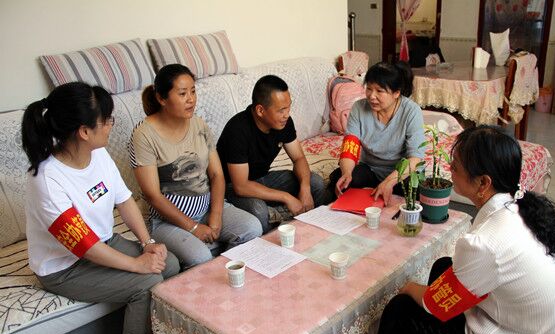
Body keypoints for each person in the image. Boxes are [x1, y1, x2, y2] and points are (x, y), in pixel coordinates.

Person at [357, 126, 555, 334]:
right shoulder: (520, 206)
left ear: (483, 182)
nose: (450, 169)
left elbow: (435, 303)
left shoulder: (486, 242)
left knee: (401, 309)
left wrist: (409, 287)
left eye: (456, 166)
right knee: (444, 266)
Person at [22, 82, 179, 334]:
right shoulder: (46, 180)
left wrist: (148, 244)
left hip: (103, 243)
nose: (111, 125)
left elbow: (125, 201)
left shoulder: (99, 154)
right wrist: (137, 265)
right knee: (145, 282)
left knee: (169, 263)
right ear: (84, 131)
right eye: (106, 120)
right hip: (65, 267)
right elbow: (84, 247)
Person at [130, 64, 262, 269]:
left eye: (193, 91)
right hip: (167, 222)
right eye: (183, 93)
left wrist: (216, 216)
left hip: (207, 209)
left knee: (252, 227)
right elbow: (152, 195)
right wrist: (193, 228)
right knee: (199, 257)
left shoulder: (199, 125)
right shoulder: (144, 135)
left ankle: (227, 272)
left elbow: (217, 175)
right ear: (162, 99)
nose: (191, 99)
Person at [216, 74, 333, 233]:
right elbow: (241, 186)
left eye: (288, 107)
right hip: (232, 188)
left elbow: (298, 158)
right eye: (281, 110)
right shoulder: (237, 130)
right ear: (260, 110)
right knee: (258, 210)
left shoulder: (284, 123)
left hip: (263, 179)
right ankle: (274, 238)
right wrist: (286, 197)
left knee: (315, 183)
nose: (287, 114)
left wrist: (305, 189)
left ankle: (311, 230)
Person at [329, 61, 425, 206]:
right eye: (369, 89)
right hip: (371, 169)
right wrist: (347, 172)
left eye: (379, 91)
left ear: (396, 93)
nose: (372, 96)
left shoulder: (411, 111)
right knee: (340, 179)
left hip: (401, 172)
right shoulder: (359, 108)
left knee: (416, 191)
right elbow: (350, 146)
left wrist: (389, 182)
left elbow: (415, 159)